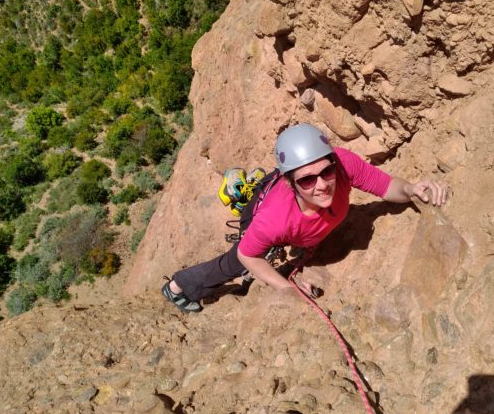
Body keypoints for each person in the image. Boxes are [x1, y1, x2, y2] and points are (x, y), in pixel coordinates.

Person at [162, 123, 447, 313]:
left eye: (326, 172)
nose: (322, 184)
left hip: (289, 209)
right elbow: (248, 255)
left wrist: (411, 189)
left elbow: (385, 186)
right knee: (236, 262)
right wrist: (288, 288)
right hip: (264, 209)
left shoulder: (343, 165)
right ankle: (178, 287)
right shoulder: (274, 219)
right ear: (291, 183)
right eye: (307, 180)